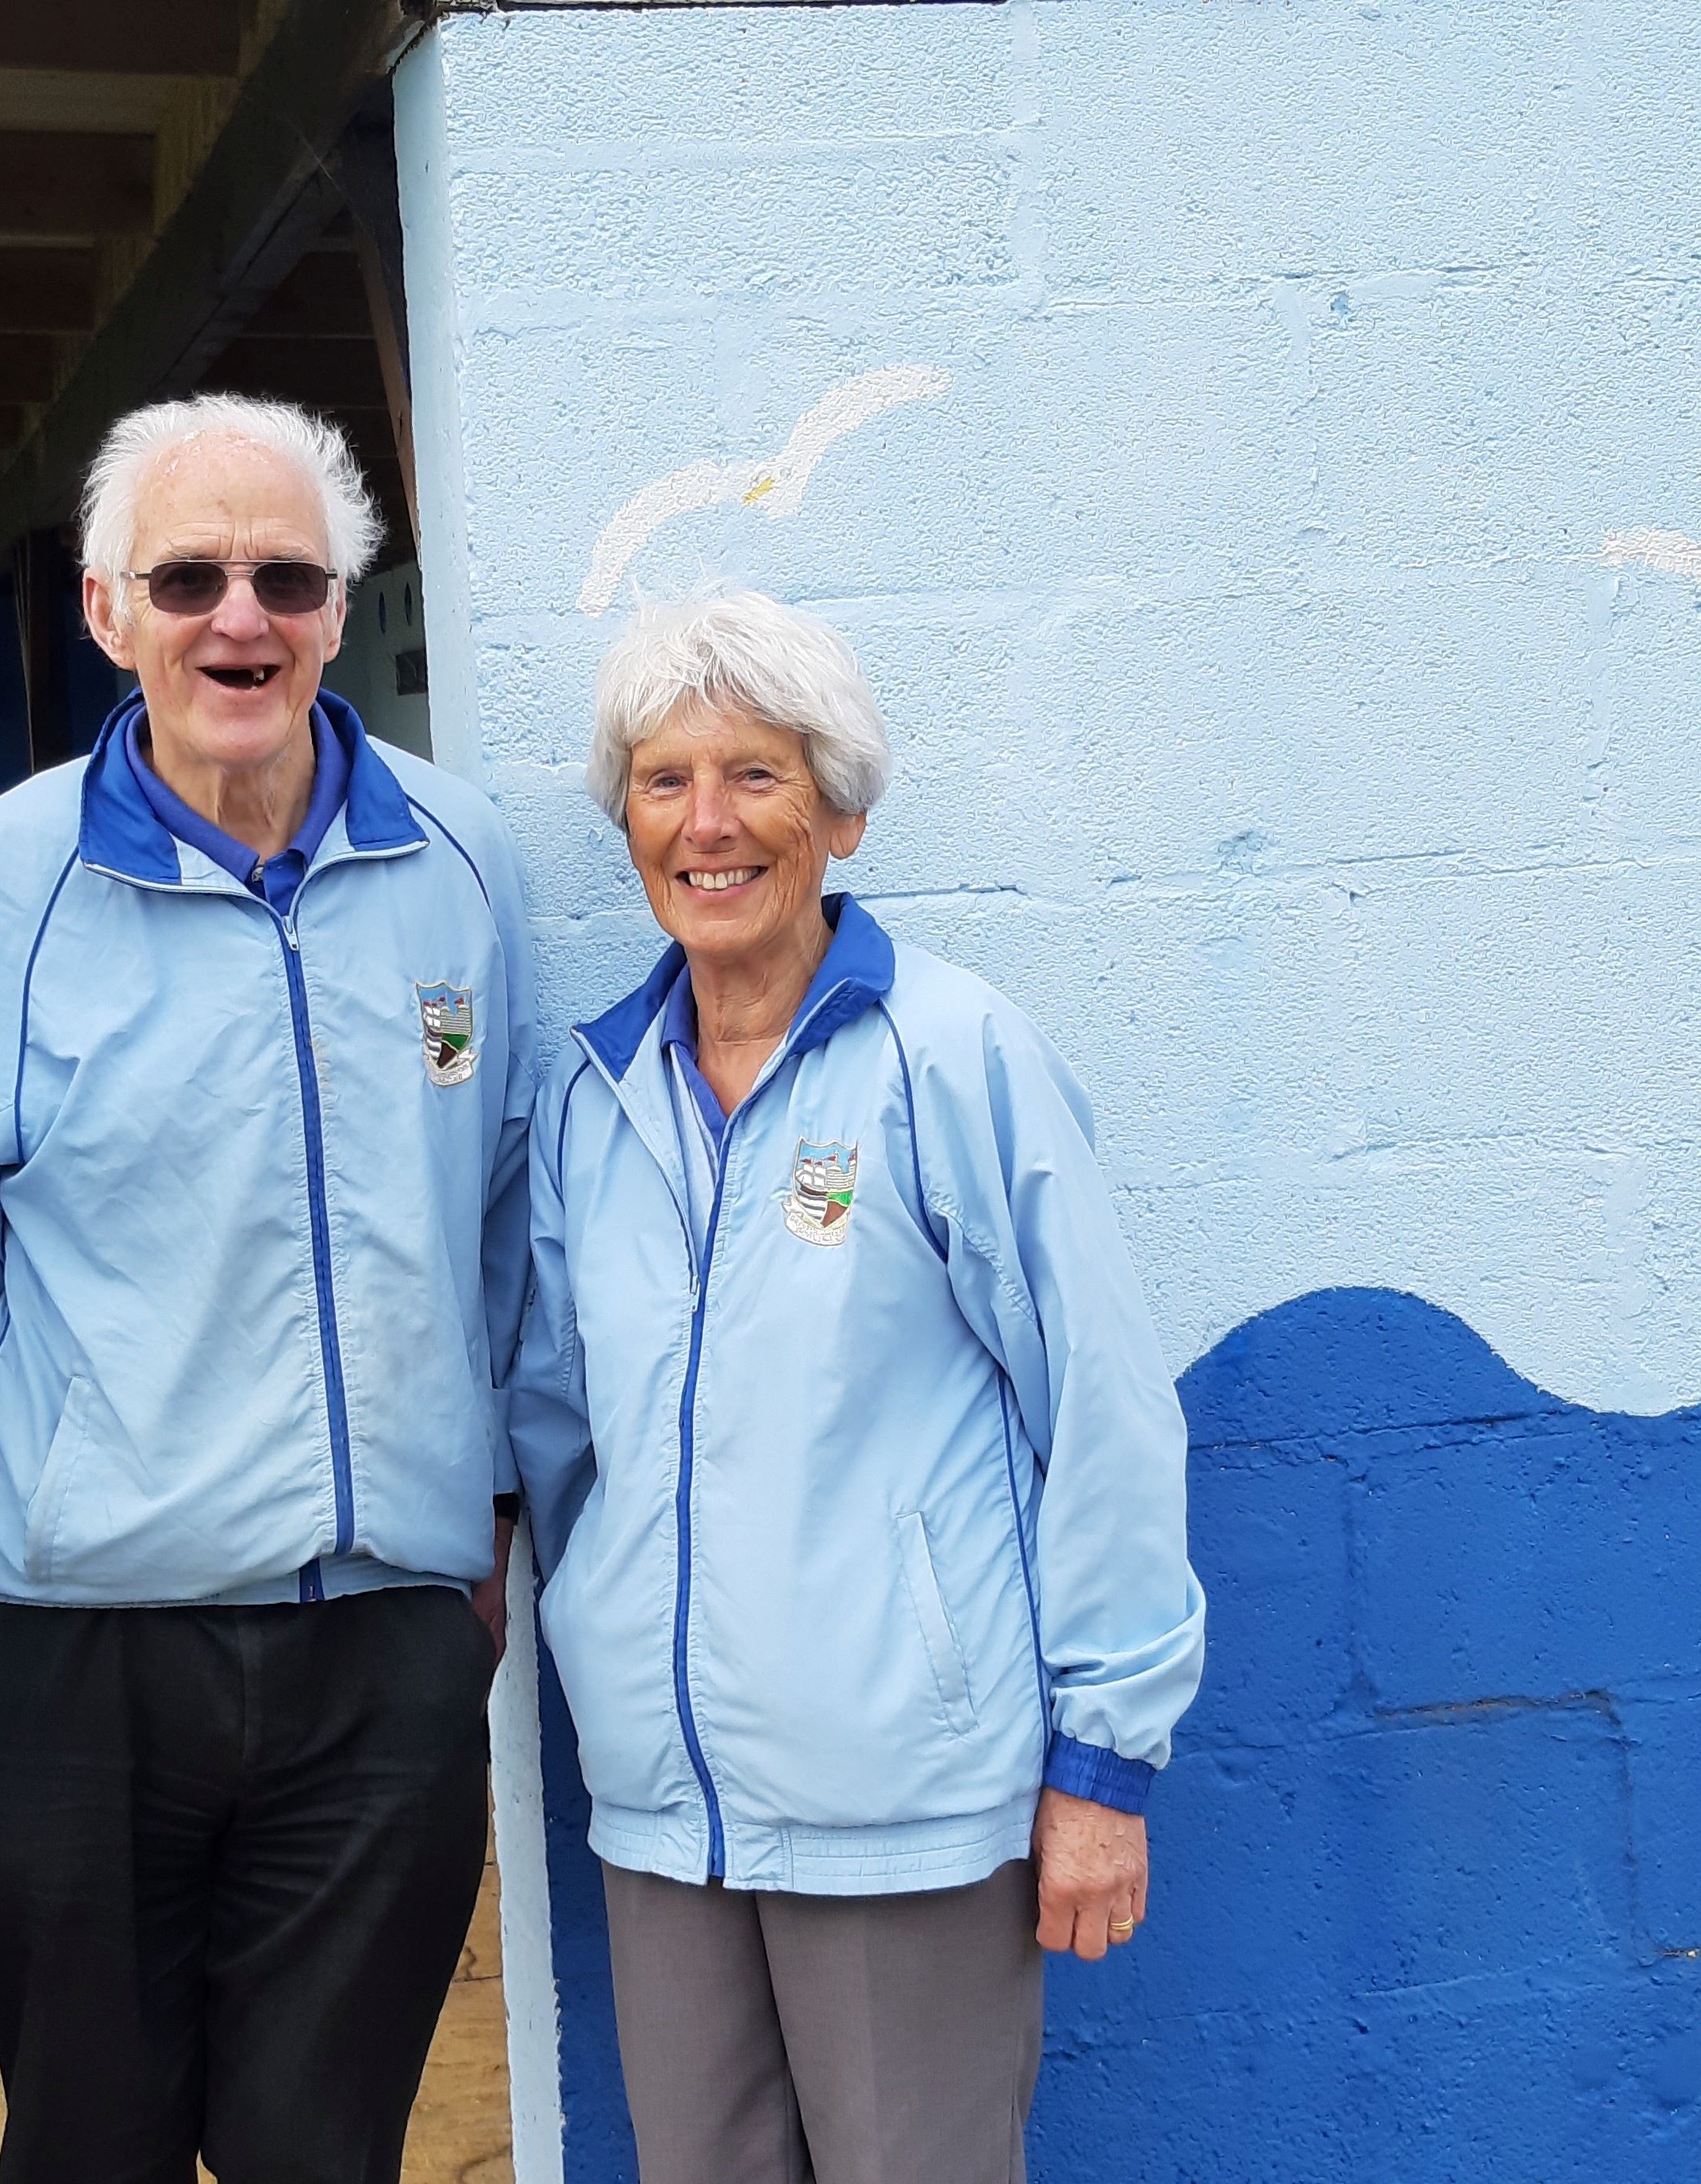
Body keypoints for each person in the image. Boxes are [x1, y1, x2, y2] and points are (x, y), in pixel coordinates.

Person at [0, 393, 534, 2182]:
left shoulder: (463, 868)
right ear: (106, 611)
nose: (240, 617)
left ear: (338, 603)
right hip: (79, 1656)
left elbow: (514, 1227)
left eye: (285, 576)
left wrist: (493, 1516)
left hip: (381, 1646)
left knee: (326, 2152)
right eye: (189, 576)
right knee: (90, 2149)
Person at [506, 591, 1207, 2184]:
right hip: (665, 1814)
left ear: (837, 808)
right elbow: (560, 1423)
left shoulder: (950, 1054)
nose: (707, 823)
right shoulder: (592, 1096)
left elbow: (1099, 1400)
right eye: (663, 778)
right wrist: (604, 1634)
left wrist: (1102, 1759)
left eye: (755, 774)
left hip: (905, 1805)